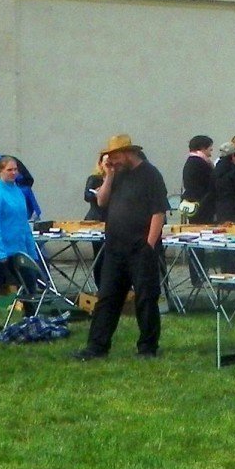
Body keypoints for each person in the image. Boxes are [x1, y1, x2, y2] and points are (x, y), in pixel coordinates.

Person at [78, 135, 167, 360]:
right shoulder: (116, 174)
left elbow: (158, 213)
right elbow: (102, 202)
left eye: (115, 157)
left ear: (128, 153)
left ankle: (148, 347)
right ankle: (96, 347)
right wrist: (108, 175)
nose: (113, 161)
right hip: (115, 248)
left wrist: (149, 245)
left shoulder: (150, 175)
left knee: (146, 298)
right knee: (107, 297)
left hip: (141, 248)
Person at [0, 157, 43, 341]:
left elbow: (23, 224)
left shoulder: (18, 192)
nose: (14, 173)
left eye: (15, 170)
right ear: (0, 171)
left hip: (17, 248)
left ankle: (30, 320)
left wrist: (31, 251)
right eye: (9, 170)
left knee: (30, 282)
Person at [179, 135, 216, 224]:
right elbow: (211, 182)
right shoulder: (199, 163)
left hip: (195, 203)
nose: (211, 152)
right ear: (203, 148)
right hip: (202, 205)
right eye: (210, 149)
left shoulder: (191, 161)